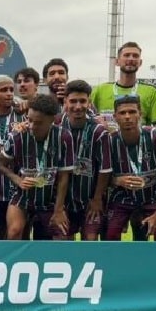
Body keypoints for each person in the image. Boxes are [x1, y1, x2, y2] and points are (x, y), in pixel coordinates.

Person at [90, 42, 156, 241]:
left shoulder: (150, 92)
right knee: (111, 232)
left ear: (140, 61)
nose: (130, 59)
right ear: (117, 60)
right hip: (119, 176)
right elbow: (88, 120)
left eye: (135, 56)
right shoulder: (99, 91)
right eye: (126, 55)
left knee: (149, 231)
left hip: (146, 171)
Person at [0, 94, 75, 240]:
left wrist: (59, 210)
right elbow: (1, 165)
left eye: (38, 123)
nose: (32, 126)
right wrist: (18, 180)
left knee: (62, 235)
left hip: (50, 198)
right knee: (14, 231)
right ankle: (14, 262)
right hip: (23, 196)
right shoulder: (17, 136)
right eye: (29, 119)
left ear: (52, 120)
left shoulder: (64, 137)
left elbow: (64, 177)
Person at [107, 95, 156, 240]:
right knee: (110, 234)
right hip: (123, 196)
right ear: (115, 117)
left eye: (132, 112)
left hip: (153, 195)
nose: (127, 117)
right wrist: (117, 181)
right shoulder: (110, 141)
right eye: (122, 113)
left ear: (140, 114)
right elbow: (101, 176)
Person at [61, 80, 111, 241]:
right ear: (65, 102)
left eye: (82, 101)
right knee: (63, 241)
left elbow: (104, 169)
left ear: (89, 103)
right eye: (73, 101)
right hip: (63, 200)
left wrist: (97, 199)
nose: (77, 106)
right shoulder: (56, 127)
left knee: (90, 240)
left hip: (90, 198)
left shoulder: (99, 131)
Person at [0, 75, 26, 239]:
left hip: (17, 187)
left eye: (11, 90)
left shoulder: (22, 117)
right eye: (3, 90)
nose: (9, 94)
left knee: (19, 234)